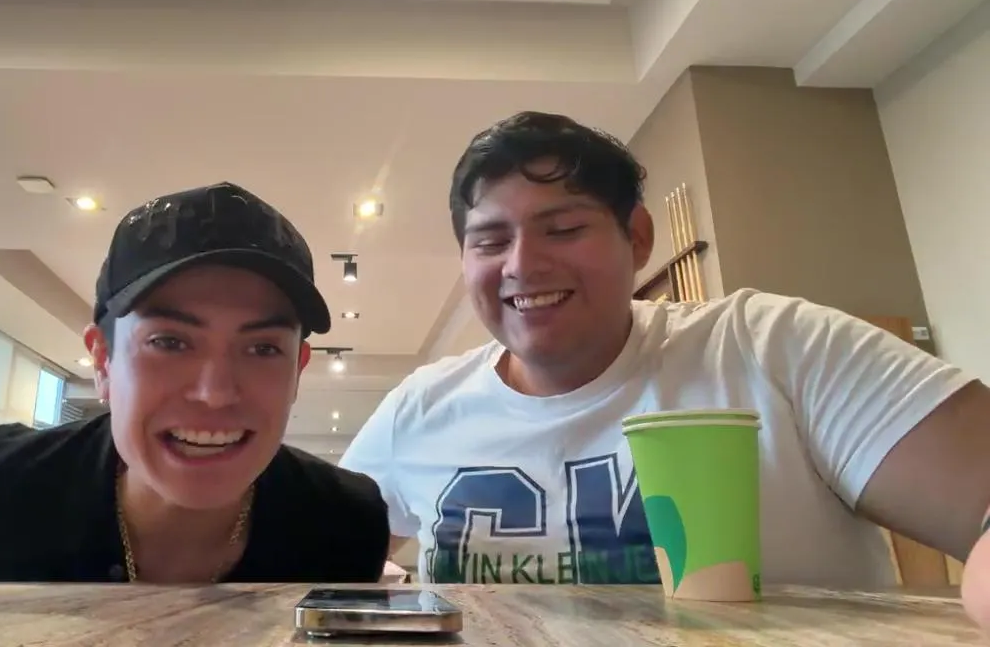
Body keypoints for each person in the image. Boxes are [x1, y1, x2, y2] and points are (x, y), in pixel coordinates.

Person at [338, 112, 990, 615]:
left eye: (563, 229)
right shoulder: (421, 406)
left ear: (639, 237)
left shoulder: (772, 348)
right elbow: (314, 562)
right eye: (490, 241)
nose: (522, 264)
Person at [0, 182, 390, 583]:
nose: (215, 392)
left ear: (297, 371)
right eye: (170, 342)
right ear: (103, 361)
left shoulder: (345, 525)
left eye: (263, 349)